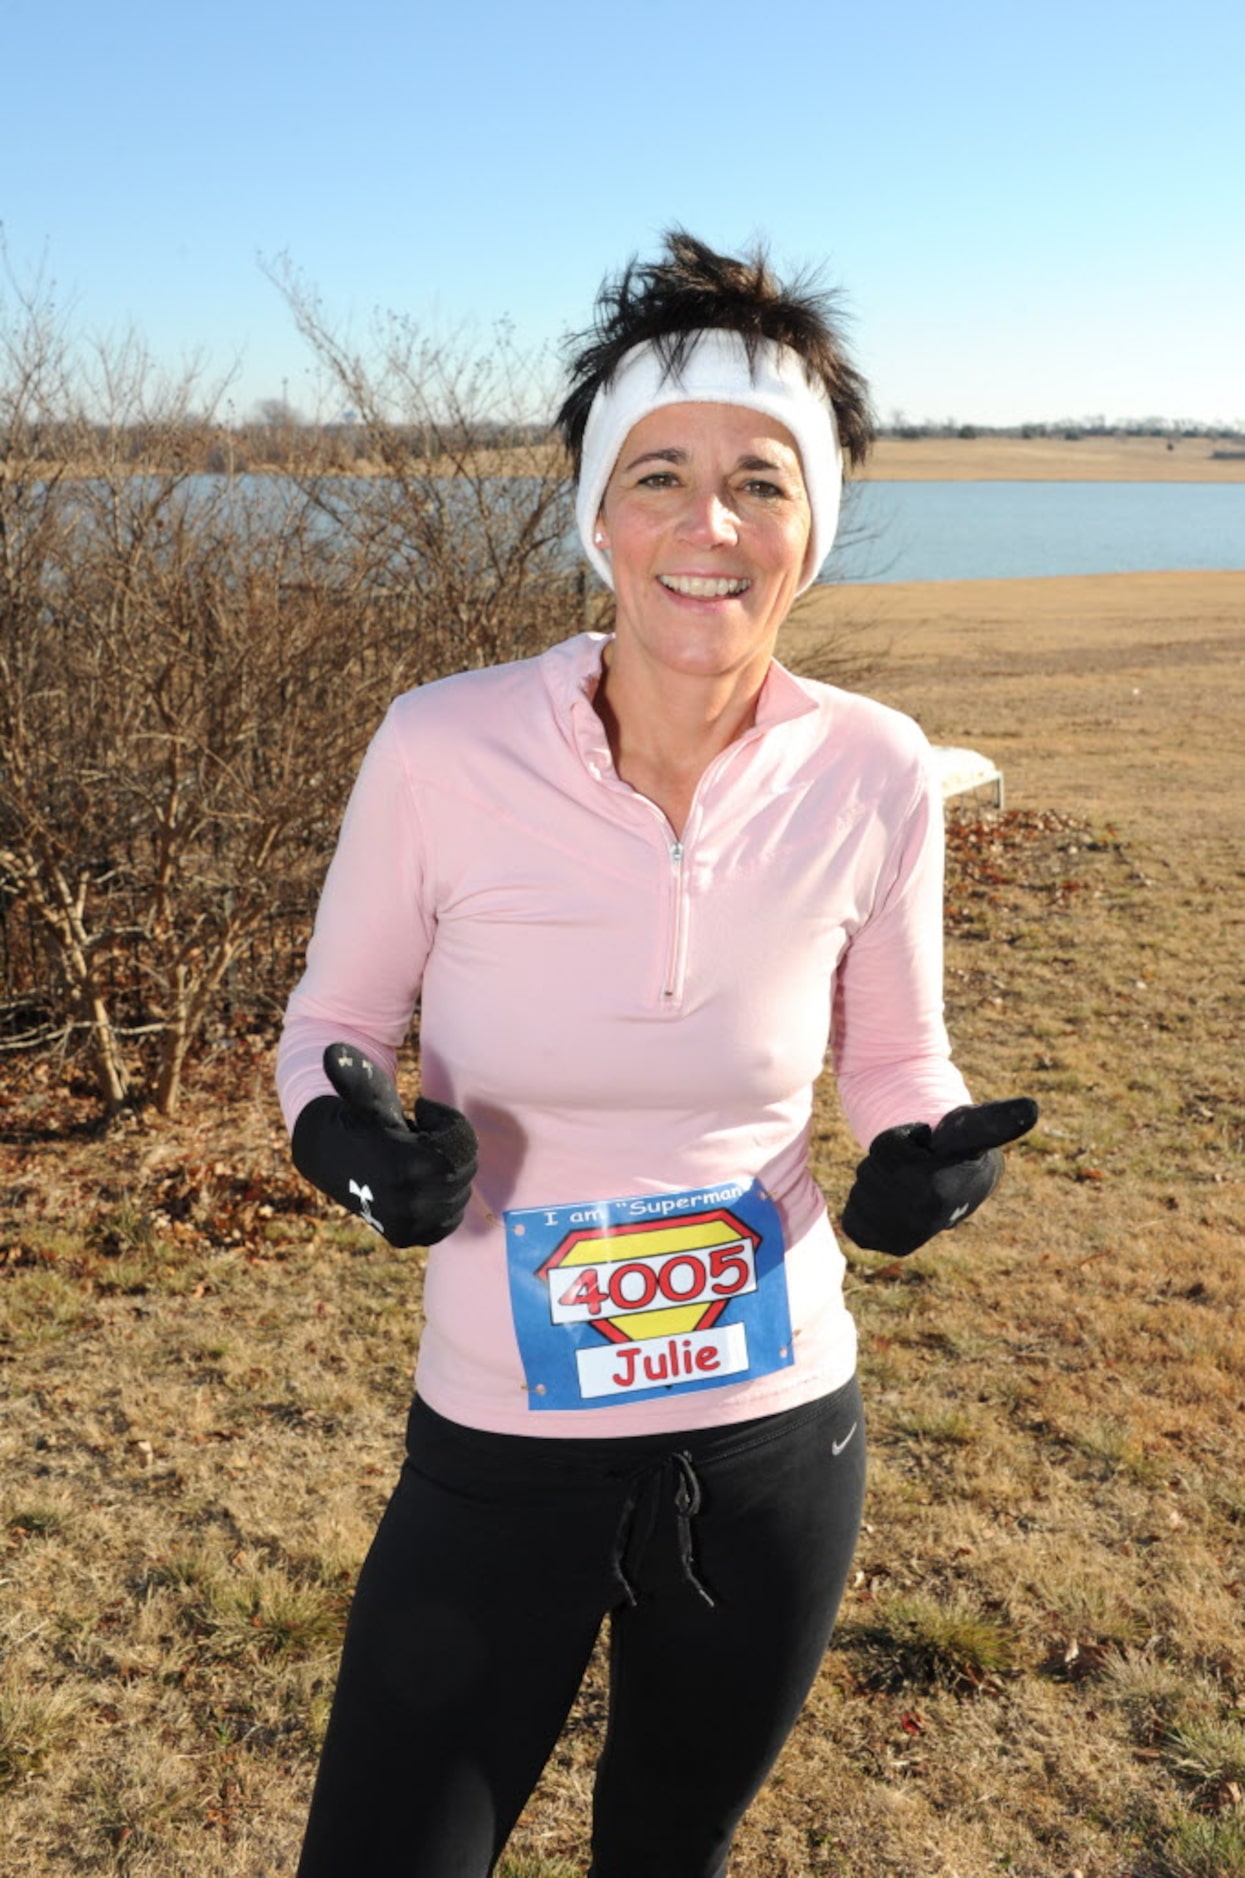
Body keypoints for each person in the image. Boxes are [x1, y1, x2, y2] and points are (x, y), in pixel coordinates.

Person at [276, 230, 1037, 1878]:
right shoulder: (442, 744)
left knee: (665, 1858)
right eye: (660, 475)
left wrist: (922, 1165)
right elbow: (328, 1030)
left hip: (774, 1440)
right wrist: (357, 1156)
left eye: (761, 483)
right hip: (498, 1447)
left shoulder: (876, 768)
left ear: (810, 528)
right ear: (596, 516)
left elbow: (900, 1055)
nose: (710, 525)